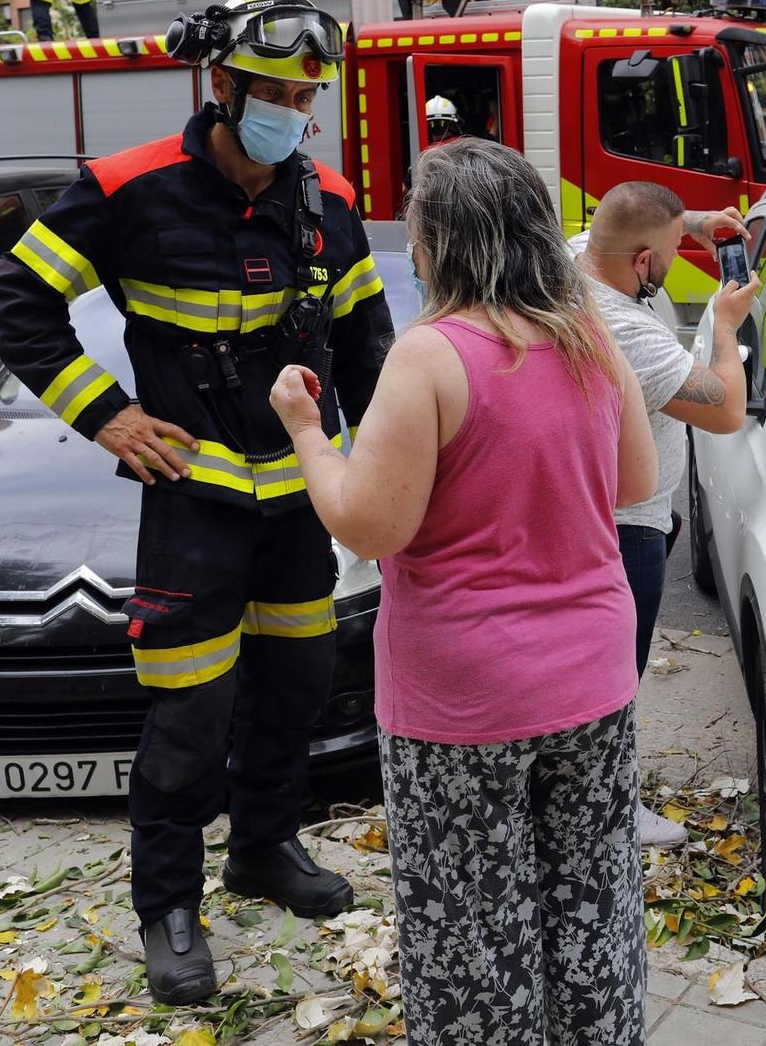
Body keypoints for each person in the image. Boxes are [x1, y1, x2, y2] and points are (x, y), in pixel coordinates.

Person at [0, 0, 394, 1006]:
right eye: (272, 92)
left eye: (306, 99)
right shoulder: (127, 187)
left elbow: (370, 348)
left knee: (295, 694)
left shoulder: (328, 203)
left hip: (301, 510)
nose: (291, 114)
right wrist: (109, 416)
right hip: (191, 511)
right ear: (220, 82)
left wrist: (396, 466)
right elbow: (18, 303)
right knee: (187, 719)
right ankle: (167, 907)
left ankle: (263, 849)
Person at [275, 136, 656, 1046]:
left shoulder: (431, 355)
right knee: (593, 897)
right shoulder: (589, 338)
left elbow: (368, 528)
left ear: (438, 240)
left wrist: (306, 432)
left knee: (472, 927)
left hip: (464, 698)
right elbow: (635, 479)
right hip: (593, 678)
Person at [573, 182, 755, 846]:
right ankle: (612, 812)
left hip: (610, 507)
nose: (685, 255)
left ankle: (588, 797)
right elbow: (726, 410)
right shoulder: (627, 330)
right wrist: (727, 325)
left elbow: (623, 225)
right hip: (629, 527)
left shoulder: (574, 263)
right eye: (676, 249)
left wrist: (697, 221)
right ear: (643, 260)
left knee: (595, 673)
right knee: (618, 679)